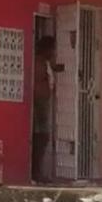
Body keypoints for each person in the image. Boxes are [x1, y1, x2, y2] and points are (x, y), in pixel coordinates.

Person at [32, 35, 57, 182]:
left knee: (43, 137)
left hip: (43, 102)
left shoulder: (45, 63)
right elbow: (36, 83)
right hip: (39, 103)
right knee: (41, 137)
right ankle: (36, 172)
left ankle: (38, 171)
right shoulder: (38, 63)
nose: (53, 52)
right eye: (52, 49)